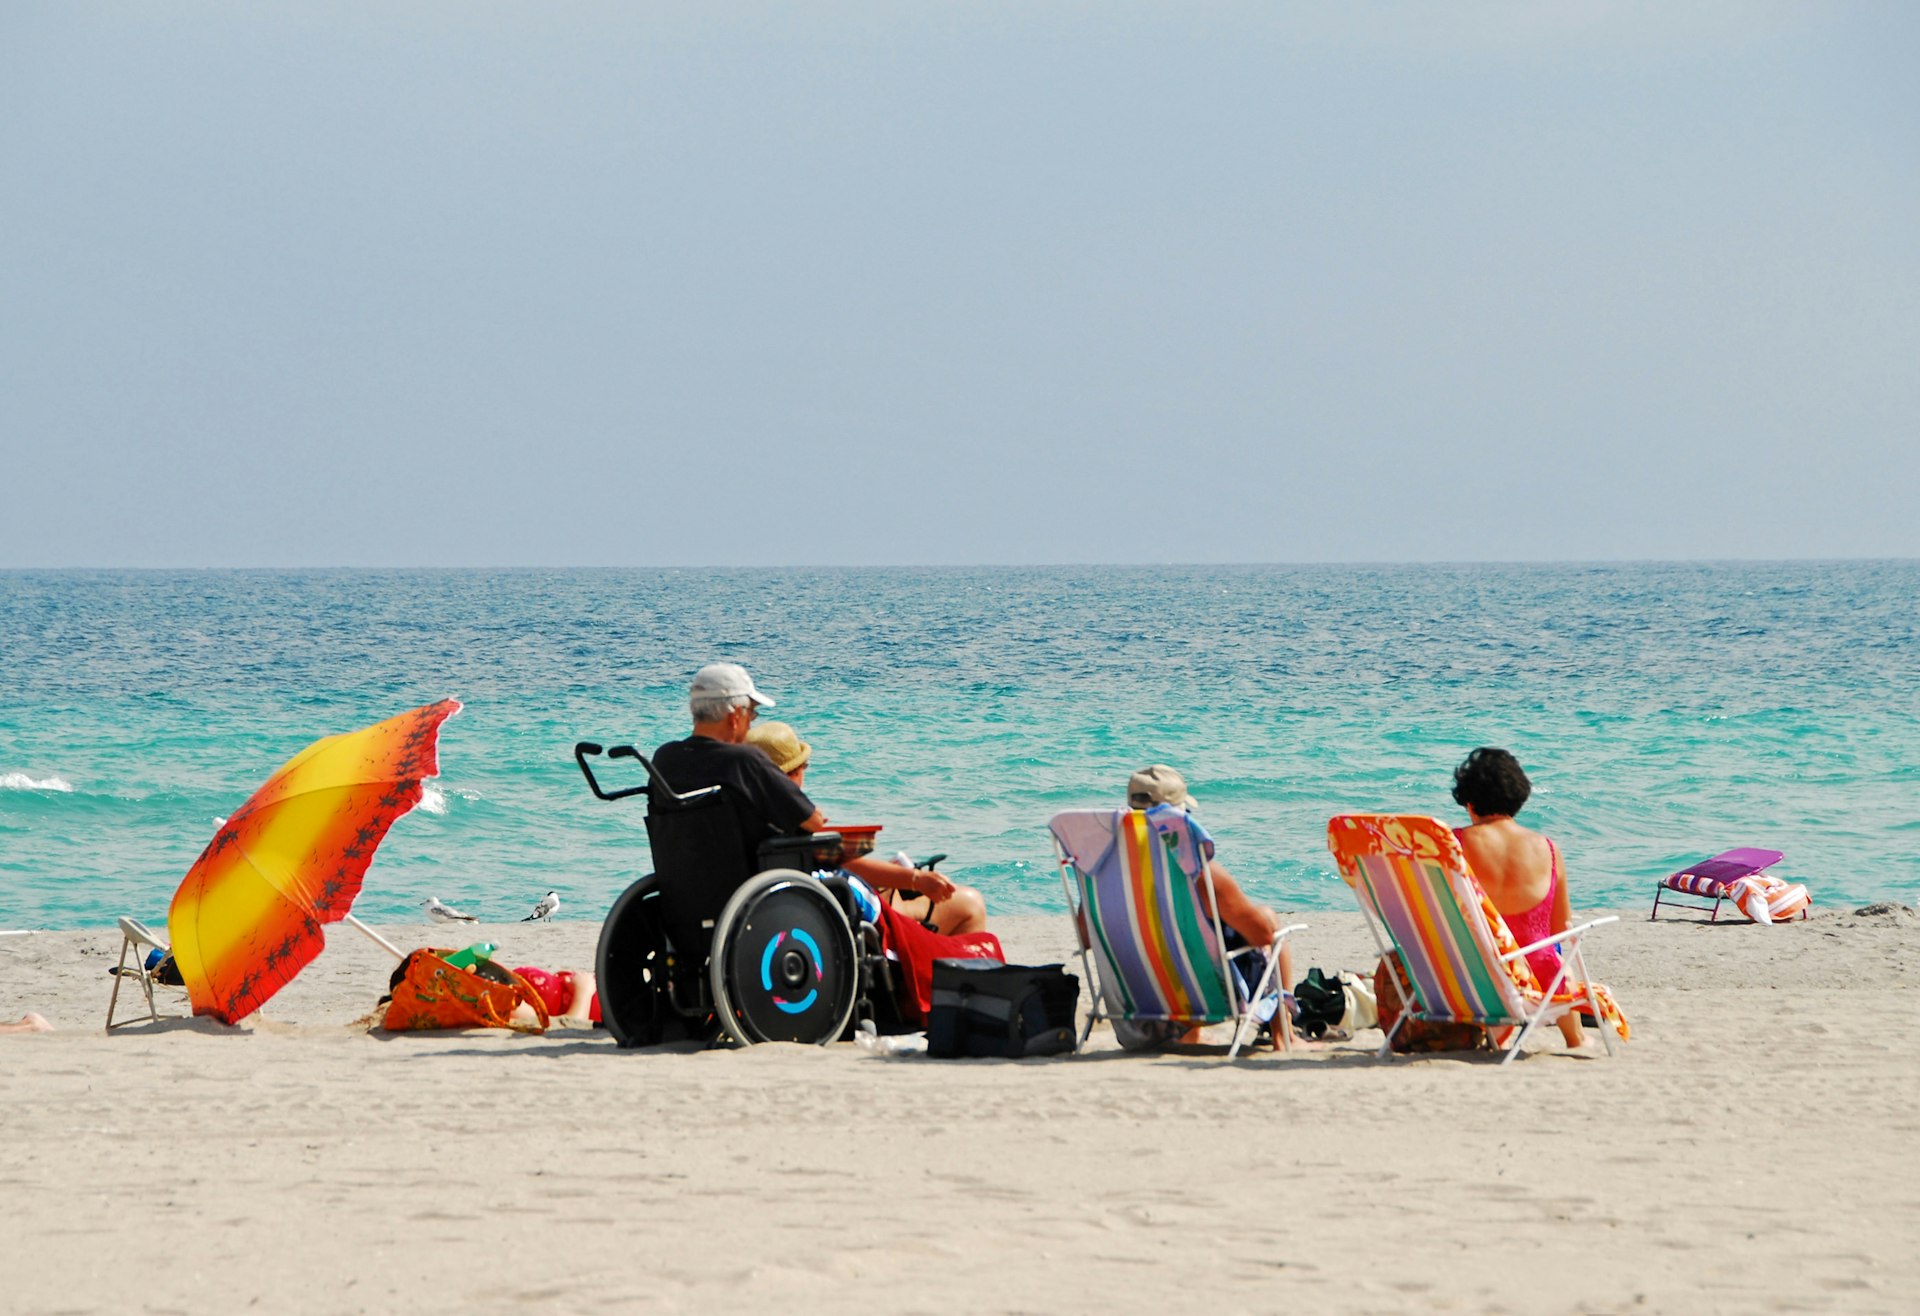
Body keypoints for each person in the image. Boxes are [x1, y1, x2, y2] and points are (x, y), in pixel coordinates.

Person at [746, 720, 988, 935]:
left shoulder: (748, 821)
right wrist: (917, 879)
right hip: (842, 913)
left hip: (780, 911)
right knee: (970, 903)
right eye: (804, 766)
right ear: (793, 774)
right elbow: (850, 864)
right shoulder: (795, 826)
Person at [1124, 764, 1298, 1048]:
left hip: (1145, 987)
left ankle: (1189, 1033)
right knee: (1267, 919)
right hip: (1209, 989)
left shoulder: (1109, 871)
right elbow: (1261, 936)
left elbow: (1087, 935)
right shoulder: (1200, 872)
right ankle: (1285, 1035)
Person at [1450, 747, 1585, 1049]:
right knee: (1555, 958)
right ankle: (1575, 1039)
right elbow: (1561, 928)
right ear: (1518, 798)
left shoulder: (1453, 845)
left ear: (1469, 803)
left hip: (1468, 977)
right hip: (1538, 983)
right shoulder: (1549, 849)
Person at [649, 663, 829, 859]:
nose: (751, 724)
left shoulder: (664, 757)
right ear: (735, 716)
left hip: (683, 879)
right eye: (751, 714)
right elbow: (813, 821)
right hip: (750, 876)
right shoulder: (743, 760)